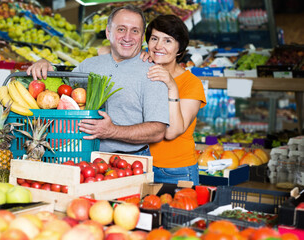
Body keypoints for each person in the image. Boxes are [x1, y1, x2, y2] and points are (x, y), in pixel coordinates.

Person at [26, 5, 169, 156]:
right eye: (121, 29)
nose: (127, 37)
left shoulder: (153, 72)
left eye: (135, 31)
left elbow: (157, 131)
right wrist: (45, 65)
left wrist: (112, 131)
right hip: (81, 155)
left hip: (129, 160)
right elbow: (59, 93)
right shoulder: (88, 65)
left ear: (142, 38)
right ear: (108, 33)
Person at [144, 15, 207, 185]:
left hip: (175, 170)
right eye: (154, 39)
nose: (158, 46)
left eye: (168, 41)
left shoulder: (191, 84)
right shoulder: (143, 72)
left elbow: (172, 132)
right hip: (140, 166)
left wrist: (171, 86)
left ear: (179, 49)